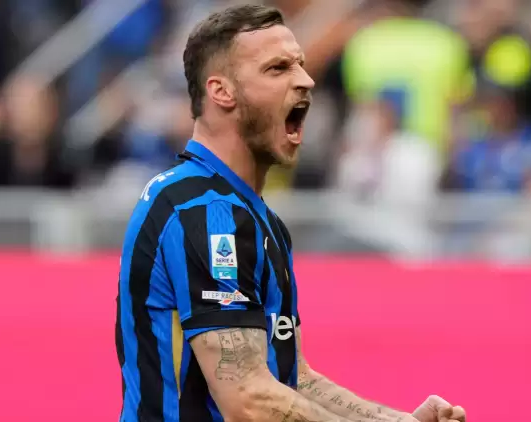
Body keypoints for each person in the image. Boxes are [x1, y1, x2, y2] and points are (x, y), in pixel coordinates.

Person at [115, 5, 467, 422]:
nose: (305, 79)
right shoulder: (206, 211)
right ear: (222, 91)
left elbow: (291, 377)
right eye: (277, 68)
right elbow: (248, 397)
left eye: (300, 64)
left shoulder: (252, 214)